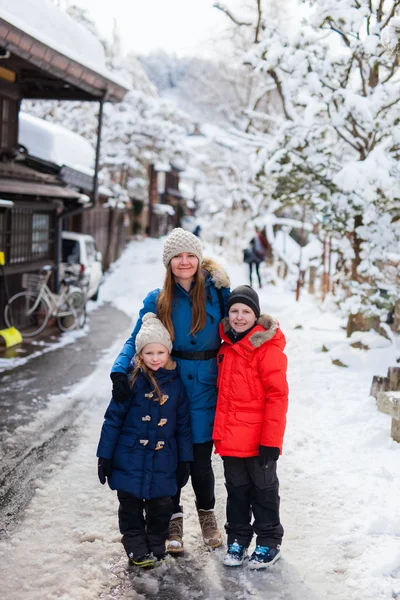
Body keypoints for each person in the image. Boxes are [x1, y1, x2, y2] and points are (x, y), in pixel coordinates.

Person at [110, 228, 231, 554]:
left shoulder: (219, 293)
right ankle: (173, 519)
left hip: (207, 386)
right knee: (172, 460)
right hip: (169, 387)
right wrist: (120, 371)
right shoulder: (157, 299)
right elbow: (136, 338)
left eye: (190, 255)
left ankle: (207, 515)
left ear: (199, 259)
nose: (184, 261)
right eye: (177, 256)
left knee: (202, 463)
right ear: (168, 262)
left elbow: (243, 326)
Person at [97, 313, 193, 568]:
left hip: (164, 458)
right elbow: (113, 420)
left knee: (161, 506)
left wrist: (185, 460)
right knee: (129, 506)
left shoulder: (176, 384)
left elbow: (183, 425)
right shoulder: (131, 381)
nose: (155, 358)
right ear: (140, 354)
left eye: (160, 352)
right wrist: (104, 455)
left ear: (168, 353)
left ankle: (154, 544)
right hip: (130, 457)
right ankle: (136, 548)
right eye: (149, 353)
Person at [212, 285, 289, 570]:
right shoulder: (224, 349)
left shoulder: (266, 349)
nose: (239, 317)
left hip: (259, 440)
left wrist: (271, 440)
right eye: (234, 311)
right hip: (231, 438)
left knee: (264, 489)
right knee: (236, 490)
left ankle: (269, 540)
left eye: (246, 311)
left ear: (256, 316)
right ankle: (238, 538)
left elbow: (278, 396)